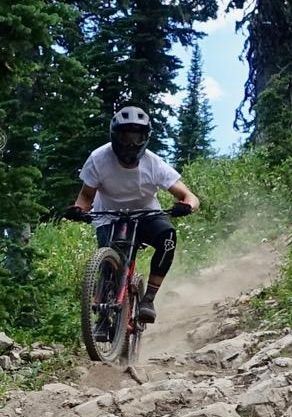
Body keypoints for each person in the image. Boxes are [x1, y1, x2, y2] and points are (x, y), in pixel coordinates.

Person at [66, 105, 200, 323]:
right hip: (108, 216)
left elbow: (189, 196)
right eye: (125, 136)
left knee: (168, 238)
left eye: (137, 137)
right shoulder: (98, 158)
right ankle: (102, 313)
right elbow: (86, 196)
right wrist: (79, 210)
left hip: (146, 213)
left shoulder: (154, 163)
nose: (131, 143)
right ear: (114, 136)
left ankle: (148, 299)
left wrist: (187, 206)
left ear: (145, 138)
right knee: (110, 262)